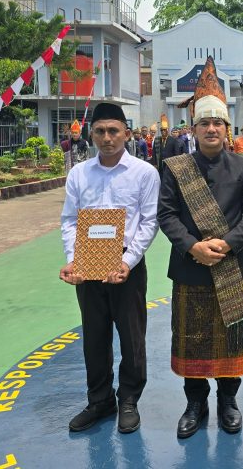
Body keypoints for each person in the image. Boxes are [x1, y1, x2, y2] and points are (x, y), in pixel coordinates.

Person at [157, 57, 243, 439]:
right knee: (192, 337)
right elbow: (166, 215)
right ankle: (195, 403)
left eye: (218, 122)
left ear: (227, 127)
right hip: (190, 267)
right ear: (194, 128)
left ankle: (228, 402)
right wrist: (192, 247)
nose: (212, 128)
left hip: (232, 265)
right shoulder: (175, 167)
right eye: (205, 123)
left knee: (232, 334)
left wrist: (226, 243)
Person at [59, 102, 161, 434]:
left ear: (127, 134)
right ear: (91, 135)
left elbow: (149, 223)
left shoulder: (144, 173)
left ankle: (129, 400)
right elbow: (70, 221)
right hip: (88, 266)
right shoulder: (78, 174)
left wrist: (127, 261)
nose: (107, 138)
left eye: (113, 131)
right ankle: (100, 401)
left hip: (126, 265)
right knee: (94, 336)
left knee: (132, 337)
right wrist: (73, 259)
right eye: (100, 131)